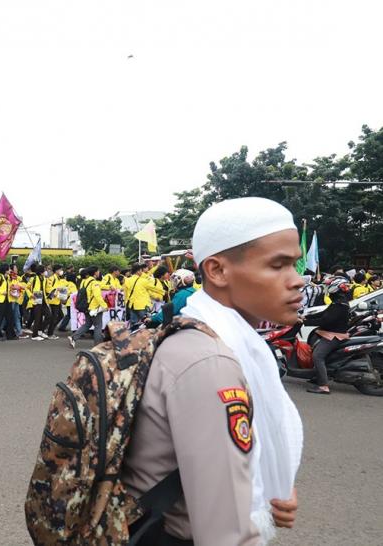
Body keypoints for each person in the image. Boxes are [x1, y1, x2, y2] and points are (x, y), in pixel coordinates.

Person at [122, 197, 302, 545]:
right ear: (217, 271)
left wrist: (266, 484)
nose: (297, 281)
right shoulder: (210, 362)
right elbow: (225, 533)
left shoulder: (215, 340)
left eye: (294, 265)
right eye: (278, 265)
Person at [303, 280, 352, 394]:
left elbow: (326, 321)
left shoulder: (340, 305)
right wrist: (306, 316)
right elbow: (325, 313)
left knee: (317, 356)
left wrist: (306, 322)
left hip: (334, 336)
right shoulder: (338, 302)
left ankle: (323, 386)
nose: (327, 290)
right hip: (331, 333)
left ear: (335, 289)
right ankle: (318, 376)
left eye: (329, 287)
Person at [68, 266, 107, 348]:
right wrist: (104, 305)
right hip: (95, 308)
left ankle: (73, 338)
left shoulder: (84, 281)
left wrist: (109, 287)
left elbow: (100, 286)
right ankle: (97, 345)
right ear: (95, 273)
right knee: (98, 326)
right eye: (98, 271)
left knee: (87, 324)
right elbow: (97, 296)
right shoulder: (94, 283)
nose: (99, 272)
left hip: (86, 307)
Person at [0, 265, 17, 341]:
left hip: (7, 300)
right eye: (8, 269)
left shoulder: (7, 277)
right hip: (0, 300)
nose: (10, 270)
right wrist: (2, 292)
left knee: (10, 318)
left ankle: (10, 335)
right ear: (5, 270)